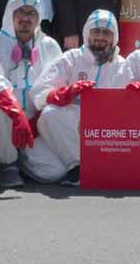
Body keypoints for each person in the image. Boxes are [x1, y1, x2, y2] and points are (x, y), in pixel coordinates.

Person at [0, 0, 66, 185]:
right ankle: (7, 162)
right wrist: (17, 116)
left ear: (39, 17)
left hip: (34, 122)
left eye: (31, 13)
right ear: (10, 13)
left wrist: (34, 123)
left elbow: (55, 85)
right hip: (6, 118)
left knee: (54, 172)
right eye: (20, 12)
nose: (26, 18)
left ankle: (22, 156)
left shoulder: (49, 45)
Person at [34, 10, 128, 184]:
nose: (101, 37)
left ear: (114, 37)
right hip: (68, 127)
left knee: (53, 172)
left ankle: (88, 166)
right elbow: (39, 93)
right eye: (96, 32)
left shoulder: (121, 65)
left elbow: (125, 109)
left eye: (107, 33)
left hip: (102, 129)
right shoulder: (71, 58)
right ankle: (77, 166)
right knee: (49, 115)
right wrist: (60, 94)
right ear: (87, 33)